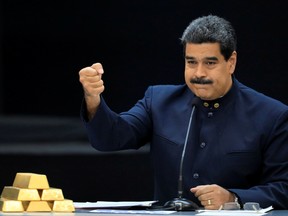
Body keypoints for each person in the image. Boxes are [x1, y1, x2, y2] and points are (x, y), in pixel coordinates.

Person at [78, 15, 288, 210]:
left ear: (231, 62)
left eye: (210, 63)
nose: (199, 73)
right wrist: (93, 98)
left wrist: (234, 198)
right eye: (191, 62)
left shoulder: (272, 115)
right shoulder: (158, 101)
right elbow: (110, 139)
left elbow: (283, 188)